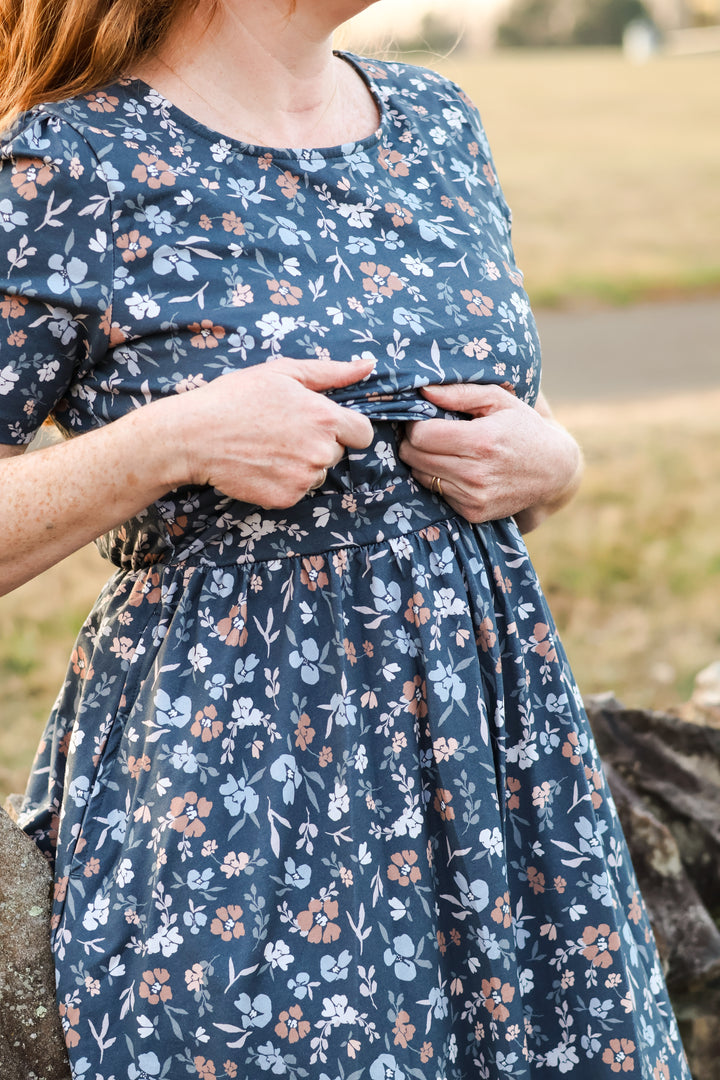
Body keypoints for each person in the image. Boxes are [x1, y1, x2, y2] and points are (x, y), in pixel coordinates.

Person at [0, 2, 689, 1078]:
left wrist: (553, 463)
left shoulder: (438, 122)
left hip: (503, 785)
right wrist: (169, 442)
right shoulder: (64, 162)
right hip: (240, 802)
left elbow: (485, 447)